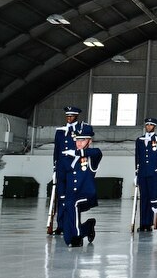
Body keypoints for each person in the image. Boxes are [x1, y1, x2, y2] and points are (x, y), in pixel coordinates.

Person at [51, 106, 94, 236]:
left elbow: (87, 138)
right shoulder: (60, 131)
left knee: (73, 198)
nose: (69, 118)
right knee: (61, 197)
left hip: (73, 168)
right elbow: (56, 151)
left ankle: (71, 224)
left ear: (76, 116)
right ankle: (61, 225)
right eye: (67, 116)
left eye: (72, 116)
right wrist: (55, 168)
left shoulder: (81, 129)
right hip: (61, 168)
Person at [59, 129, 102, 247]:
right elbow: (62, 178)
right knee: (68, 238)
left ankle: (78, 236)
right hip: (70, 196)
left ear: (89, 141)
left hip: (86, 194)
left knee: (72, 203)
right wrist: (62, 195)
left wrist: (78, 153)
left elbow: (97, 152)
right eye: (77, 140)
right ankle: (88, 227)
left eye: (82, 140)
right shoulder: (68, 157)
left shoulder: (91, 157)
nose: (79, 143)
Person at [134, 117, 157, 232]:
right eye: (147, 125)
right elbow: (137, 157)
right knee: (143, 197)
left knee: (153, 197)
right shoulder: (139, 140)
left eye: (151, 125)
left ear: (154, 126)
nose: (148, 127)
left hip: (154, 173)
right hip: (142, 172)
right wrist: (136, 172)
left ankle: (151, 223)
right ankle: (143, 223)